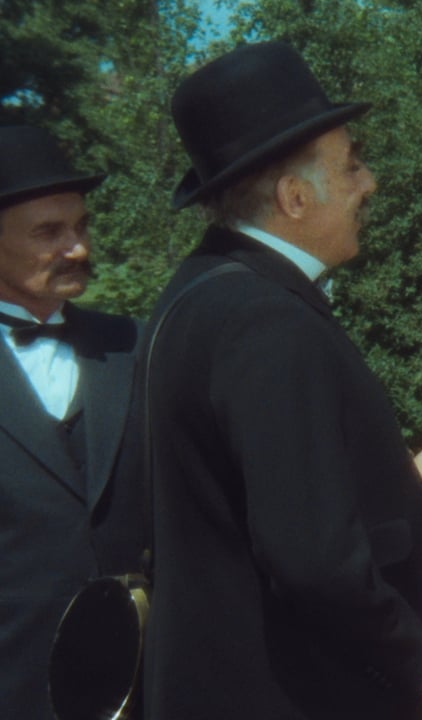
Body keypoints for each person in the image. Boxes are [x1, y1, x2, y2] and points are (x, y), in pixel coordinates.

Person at [141, 41, 422, 719]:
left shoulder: (198, 294)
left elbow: (249, 497)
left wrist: (395, 482)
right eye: (350, 165)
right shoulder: (264, 319)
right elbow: (311, 560)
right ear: (295, 197)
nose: (368, 183)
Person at [0, 124, 146, 720]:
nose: (79, 248)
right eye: (49, 232)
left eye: (81, 226)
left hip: (141, 687)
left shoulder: (134, 346)